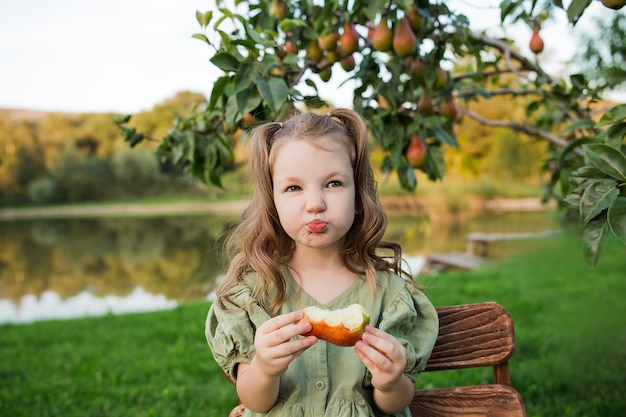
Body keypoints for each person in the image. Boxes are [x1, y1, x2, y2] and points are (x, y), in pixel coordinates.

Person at [205, 108, 439, 417]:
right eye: (293, 188)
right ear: (273, 202)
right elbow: (255, 401)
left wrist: (390, 381)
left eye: (333, 184)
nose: (315, 203)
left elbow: (395, 404)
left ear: (358, 197)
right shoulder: (254, 293)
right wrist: (264, 368)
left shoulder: (389, 295)